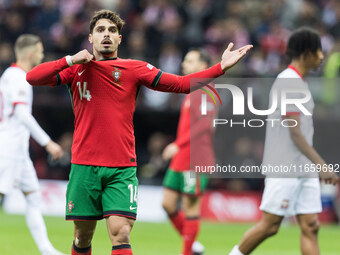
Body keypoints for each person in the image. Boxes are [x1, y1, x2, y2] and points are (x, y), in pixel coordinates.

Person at [26, 9, 252, 255]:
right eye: (100, 30)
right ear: (90, 38)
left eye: (112, 31)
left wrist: (220, 67)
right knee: (82, 237)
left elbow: (181, 84)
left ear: (120, 39)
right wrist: (70, 59)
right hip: (84, 165)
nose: (107, 35)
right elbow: (32, 77)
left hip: (121, 167)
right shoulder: (76, 70)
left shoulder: (133, 68)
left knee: (121, 233)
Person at [228, 27, 338, 255]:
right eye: (318, 51)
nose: (321, 57)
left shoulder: (300, 82)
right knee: (270, 226)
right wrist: (322, 165)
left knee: (311, 226)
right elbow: (294, 131)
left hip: (303, 168)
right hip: (285, 166)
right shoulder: (288, 82)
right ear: (306, 52)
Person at [0, 34, 65, 255]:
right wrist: (48, 143)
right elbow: (21, 113)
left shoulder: (9, 75)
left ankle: (47, 250)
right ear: (30, 53)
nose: (42, 55)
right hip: (8, 148)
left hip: (17, 149)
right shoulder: (19, 78)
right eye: (40, 51)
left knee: (33, 197)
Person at [161, 48, 217, 255]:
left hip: (196, 157)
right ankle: (192, 245)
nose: (184, 64)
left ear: (203, 66)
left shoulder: (206, 89)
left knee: (190, 207)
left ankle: (187, 251)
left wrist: (178, 143)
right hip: (182, 156)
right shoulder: (192, 89)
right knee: (167, 204)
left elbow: (205, 124)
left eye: (189, 61)